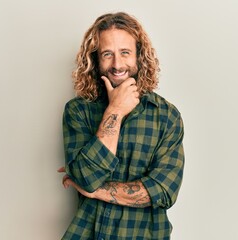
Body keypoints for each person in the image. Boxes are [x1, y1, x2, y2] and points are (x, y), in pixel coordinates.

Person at [57, 12, 185, 240]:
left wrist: (96, 191)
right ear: (95, 60)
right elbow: (87, 177)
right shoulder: (78, 110)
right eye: (108, 54)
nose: (117, 65)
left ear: (139, 56)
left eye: (125, 53)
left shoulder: (166, 116)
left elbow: (163, 191)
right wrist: (115, 110)